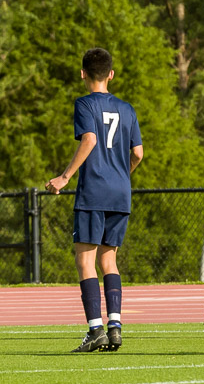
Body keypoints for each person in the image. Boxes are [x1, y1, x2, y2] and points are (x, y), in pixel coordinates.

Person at [46, 48, 143, 353]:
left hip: (94, 191)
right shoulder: (127, 108)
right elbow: (138, 153)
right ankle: (115, 326)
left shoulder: (84, 103)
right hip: (120, 192)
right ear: (111, 74)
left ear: (82, 73)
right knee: (109, 259)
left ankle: (95, 330)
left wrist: (64, 176)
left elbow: (90, 139)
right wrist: (121, 176)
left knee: (85, 259)